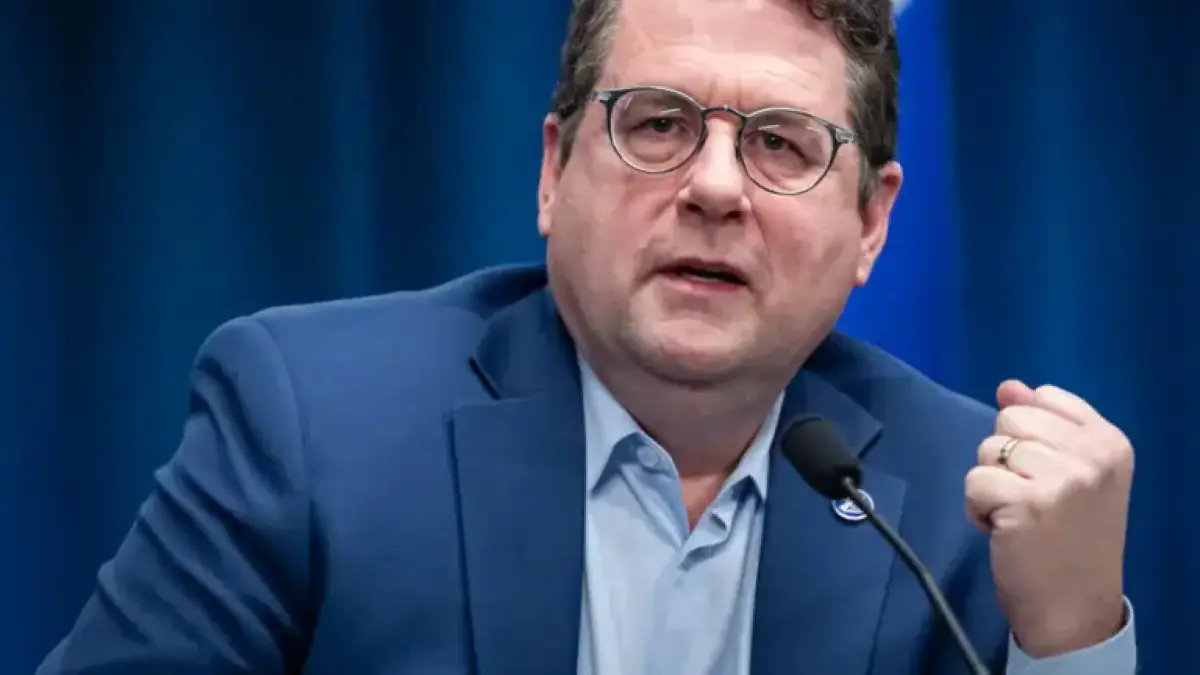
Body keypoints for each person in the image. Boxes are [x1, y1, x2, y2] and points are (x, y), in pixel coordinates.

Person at [37, 0, 1137, 673]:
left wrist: (1073, 636)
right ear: (553, 173)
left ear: (872, 224)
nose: (715, 188)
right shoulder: (313, 422)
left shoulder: (962, 505)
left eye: (781, 144)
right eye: (658, 123)